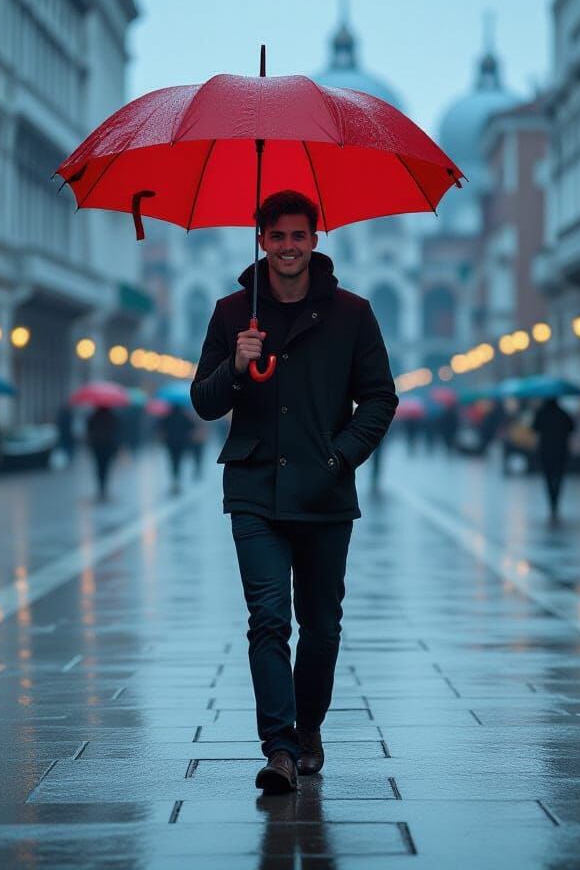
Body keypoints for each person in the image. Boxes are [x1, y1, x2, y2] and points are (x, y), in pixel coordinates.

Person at [191, 190, 397, 794]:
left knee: (322, 626)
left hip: (325, 491)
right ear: (261, 240)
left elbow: (381, 397)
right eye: (276, 236)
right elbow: (203, 403)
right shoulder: (233, 313)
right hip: (253, 488)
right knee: (267, 619)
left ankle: (308, 727)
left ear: (315, 239)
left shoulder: (353, 313)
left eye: (297, 236)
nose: (287, 247)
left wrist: (341, 455)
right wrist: (234, 364)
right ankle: (279, 748)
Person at [532, 397, 575, 519]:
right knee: (559, 476)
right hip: (561, 450)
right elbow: (572, 427)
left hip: (545, 451)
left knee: (548, 477)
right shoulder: (563, 413)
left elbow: (534, 428)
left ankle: (552, 501)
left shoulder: (541, 413)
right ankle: (556, 499)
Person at [160, 403, 196, 494]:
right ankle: (177, 480)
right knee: (179, 461)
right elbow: (191, 427)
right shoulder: (184, 416)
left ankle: (174, 479)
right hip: (181, 443)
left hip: (170, 443)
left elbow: (161, 427)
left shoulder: (167, 416)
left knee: (173, 461)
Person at [86, 404, 119, 501]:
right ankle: (104, 488)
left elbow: (89, 432)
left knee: (99, 467)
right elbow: (116, 432)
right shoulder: (112, 417)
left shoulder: (92, 417)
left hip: (97, 446)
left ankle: (101, 488)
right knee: (106, 467)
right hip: (108, 446)